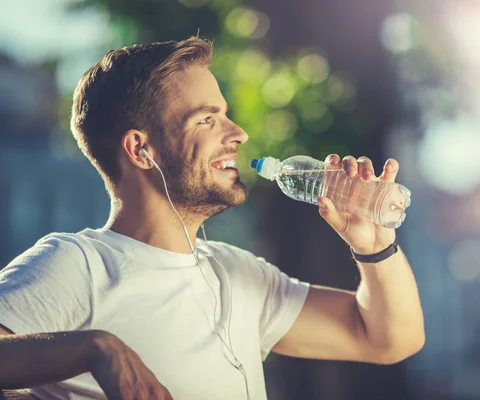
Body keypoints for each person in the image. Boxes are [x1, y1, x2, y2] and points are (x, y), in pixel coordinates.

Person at [0, 37, 424, 400]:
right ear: (139, 150)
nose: (237, 132)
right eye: (206, 119)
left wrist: (373, 245)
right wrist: (95, 347)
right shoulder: (81, 265)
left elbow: (391, 339)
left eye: (224, 114)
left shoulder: (238, 273)